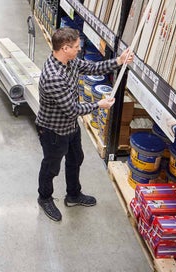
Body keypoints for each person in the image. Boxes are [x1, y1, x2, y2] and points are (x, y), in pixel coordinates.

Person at [36, 28, 134, 222]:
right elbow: (72, 109)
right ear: (65, 48)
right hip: (53, 131)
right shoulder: (54, 76)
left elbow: (91, 68)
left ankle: (73, 194)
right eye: (76, 47)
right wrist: (99, 104)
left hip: (70, 126)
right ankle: (44, 197)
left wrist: (118, 61)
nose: (79, 49)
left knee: (76, 158)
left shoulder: (69, 61)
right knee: (51, 166)